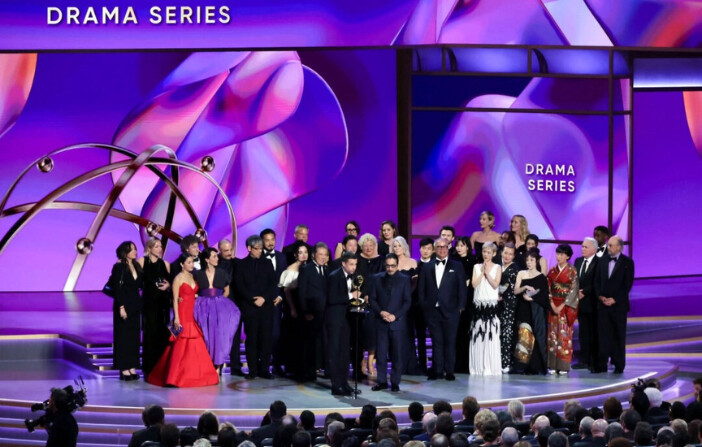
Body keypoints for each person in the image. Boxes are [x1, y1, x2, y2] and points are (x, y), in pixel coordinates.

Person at [147, 255, 219, 387]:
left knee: (195, 342)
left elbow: (193, 293)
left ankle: (199, 375)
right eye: (189, 262)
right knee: (180, 343)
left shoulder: (192, 277)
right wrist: (177, 318)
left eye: (192, 262)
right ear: (182, 264)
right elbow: (174, 299)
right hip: (182, 313)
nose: (192, 265)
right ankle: (174, 377)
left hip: (192, 313)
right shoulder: (178, 278)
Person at [418, 237, 468, 381]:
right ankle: (437, 370)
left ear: (448, 248)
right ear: (435, 249)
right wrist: (424, 306)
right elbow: (422, 288)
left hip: (452, 311)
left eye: (444, 247)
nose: (441, 249)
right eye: (439, 247)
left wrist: (460, 307)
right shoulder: (427, 267)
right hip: (432, 311)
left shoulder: (457, 266)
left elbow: (462, 289)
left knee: (450, 342)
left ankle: (449, 371)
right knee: (436, 342)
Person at [234, 235, 280, 379]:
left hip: (266, 308)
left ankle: (265, 369)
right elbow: (240, 286)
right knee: (252, 339)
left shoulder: (267, 263)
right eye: (257, 248)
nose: (260, 251)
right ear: (249, 248)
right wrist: (252, 300)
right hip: (250, 308)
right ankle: (253, 370)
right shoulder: (241, 264)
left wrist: (264, 298)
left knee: (266, 339)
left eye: (261, 248)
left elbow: (273, 284)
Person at [193, 247, 240, 374]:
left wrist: (218, 303)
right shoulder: (198, 274)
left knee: (219, 336)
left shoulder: (222, 272)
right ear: (207, 259)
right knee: (205, 336)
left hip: (219, 307)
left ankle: (217, 368)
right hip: (202, 308)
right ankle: (206, 366)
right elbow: (193, 290)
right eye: (214, 256)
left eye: (217, 256)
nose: (217, 258)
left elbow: (227, 290)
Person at [370, 253, 411, 392]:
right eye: (387, 265)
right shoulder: (376, 279)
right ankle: (381, 382)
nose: (390, 268)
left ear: (397, 265)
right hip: (381, 322)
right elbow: (373, 300)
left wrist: (395, 315)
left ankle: (395, 382)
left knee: (397, 354)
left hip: (397, 323)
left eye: (393, 266)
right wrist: (381, 312)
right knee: (381, 354)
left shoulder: (405, 279)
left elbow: (407, 302)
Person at [593, 235, 634, 374]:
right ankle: (601, 364)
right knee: (603, 335)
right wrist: (600, 296)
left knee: (618, 335)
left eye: (611, 245)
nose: (608, 247)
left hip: (618, 306)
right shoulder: (602, 261)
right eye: (608, 245)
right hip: (602, 305)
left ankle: (618, 364)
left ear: (619, 247)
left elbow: (627, 285)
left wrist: (615, 299)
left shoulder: (628, 262)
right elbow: (596, 281)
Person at [325, 251, 360, 396]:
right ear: (343, 264)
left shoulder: (354, 277)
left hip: (347, 319)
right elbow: (332, 298)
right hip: (334, 319)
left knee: (345, 352)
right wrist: (351, 296)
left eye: (355, 264)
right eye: (351, 264)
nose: (353, 267)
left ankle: (344, 383)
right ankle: (336, 385)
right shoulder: (334, 277)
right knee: (335, 352)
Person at [136, 237, 171, 380]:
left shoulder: (165, 264)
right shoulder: (142, 261)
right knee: (150, 335)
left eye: (160, 246)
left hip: (162, 304)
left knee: (163, 335)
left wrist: (168, 286)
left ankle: (161, 368)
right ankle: (148, 369)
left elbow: (170, 281)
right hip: (149, 303)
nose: (160, 249)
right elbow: (136, 281)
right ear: (149, 248)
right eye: (156, 246)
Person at [108, 241, 143, 381]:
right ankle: (124, 368)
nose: (135, 251)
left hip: (135, 305)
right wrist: (121, 307)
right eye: (132, 249)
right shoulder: (119, 267)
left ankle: (132, 366)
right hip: (123, 306)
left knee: (134, 337)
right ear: (125, 252)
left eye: (135, 249)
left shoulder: (136, 265)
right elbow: (118, 289)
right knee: (123, 337)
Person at [513, 249, 549, 375]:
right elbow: (515, 291)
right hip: (523, 308)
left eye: (531, 260)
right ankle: (522, 364)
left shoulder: (541, 277)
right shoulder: (521, 273)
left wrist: (532, 298)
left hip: (536, 309)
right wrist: (525, 287)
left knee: (535, 336)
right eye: (527, 260)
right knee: (523, 335)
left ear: (536, 261)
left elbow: (545, 297)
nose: (529, 262)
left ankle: (535, 365)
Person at [297, 242, 330, 382]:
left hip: (327, 314)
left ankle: (327, 369)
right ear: (314, 255)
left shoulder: (329, 270)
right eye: (320, 254)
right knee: (310, 343)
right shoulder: (307, 269)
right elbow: (301, 292)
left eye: (325, 255)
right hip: (311, 313)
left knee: (326, 342)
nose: (323, 257)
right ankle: (309, 372)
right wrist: (305, 311)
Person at [470, 241, 502, 376]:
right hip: (479, 305)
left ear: (494, 253)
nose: (486, 254)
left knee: (490, 335)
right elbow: (474, 284)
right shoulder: (476, 267)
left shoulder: (497, 267)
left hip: (491, 305)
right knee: (478, 335)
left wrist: (488, 273)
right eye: (484, 252)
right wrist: (481, 272)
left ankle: (489, 367)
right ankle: (477, 367)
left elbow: (495, 285)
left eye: (489, 252)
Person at [546, 244, 579, 375]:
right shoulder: (552, 271)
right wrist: (552, 304)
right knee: (553, 336)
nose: (558, 256)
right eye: (557, 253)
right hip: (554, 305)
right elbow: (548, 288)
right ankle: (553, 365)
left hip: (565, 308)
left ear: (568, 256)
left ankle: (564, 365)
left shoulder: (572, 271)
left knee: (564, 336)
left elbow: (573, 291)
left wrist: (562, 305)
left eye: (562, 254)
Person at [278, 241, 309, 379]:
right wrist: (292, 309)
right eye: (301, 252)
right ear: (296, 254)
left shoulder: (309, 268)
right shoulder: (290, 271)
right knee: (294, 338)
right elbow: (287, 291)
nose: (304, 255)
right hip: (295, 307)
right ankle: (293, 367)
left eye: (306, 252)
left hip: (306, 306)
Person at [356, 233, 384, 378]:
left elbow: (381, 280)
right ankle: (361, 362)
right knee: (361, 333)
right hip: (359, 300)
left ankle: (370, 362)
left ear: (375, 246)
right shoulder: (357, 260)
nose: (368, 247)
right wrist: (361, 294)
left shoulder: (380, 261)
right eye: (365, 245)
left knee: (374, 334)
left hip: (375, 300)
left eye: (371, 245)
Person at [261, 228, 288, 376]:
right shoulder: (258, 258)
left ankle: (277, 365)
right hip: (263, 303)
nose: (270, 243)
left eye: (272, 239)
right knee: (264, 335)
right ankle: (262, 365)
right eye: (267, 240)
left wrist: (281, 296)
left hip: (278, 302)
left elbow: (285, 280)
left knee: (277, 335)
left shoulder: (282, 257)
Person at [405, 237, 434, 375]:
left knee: (435, 337)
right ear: (420, 249)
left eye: (429, 248)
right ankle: (421, 365)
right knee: (420, 337)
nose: (426, 251)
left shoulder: (435, 265)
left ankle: (435, 365)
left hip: (433, 307)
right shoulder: (415, 265)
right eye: (423, 248)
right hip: (416, 307)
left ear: (432, 250)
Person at [573, 238, 599, 371]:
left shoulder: (599, 262)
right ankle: (583, 360)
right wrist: (576, 291)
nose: (582, 249)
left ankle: (593, 361)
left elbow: (597, 281)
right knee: (583, 333)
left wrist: (585, 292)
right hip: (580, 303)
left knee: (593, 333)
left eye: (586, 247)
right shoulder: (578, 261)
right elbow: (574, 279)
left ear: (594, 249)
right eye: (582, 246)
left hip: (593, 302)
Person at [451, 236, 475, 374]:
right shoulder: (452, 260)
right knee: (454, 333)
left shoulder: (473, 261)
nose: (459, 248)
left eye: (462, 245)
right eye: (458, 245)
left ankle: (465, 364)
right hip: (453, 299)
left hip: (467, 300)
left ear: (467, 247)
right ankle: (453, 364)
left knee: (465, 333)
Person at [499, 243, 519, 373]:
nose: (507, 256)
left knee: (507, 333)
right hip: (497, 304)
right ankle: (498, 361)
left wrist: (499, 294)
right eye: (506, 253)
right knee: (499, 333)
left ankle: (506, 363)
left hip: (508, 305)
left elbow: (509, 287)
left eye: (510, 254)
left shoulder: (514, 268)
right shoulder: (498, 266)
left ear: (514, 256)